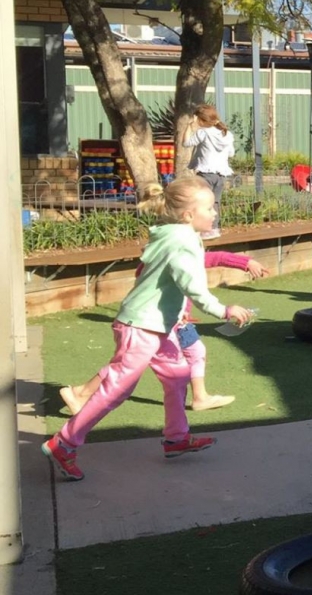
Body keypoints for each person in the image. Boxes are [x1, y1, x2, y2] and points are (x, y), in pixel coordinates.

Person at [42, 177, 252, 482]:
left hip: (155, 326)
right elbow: (192, 287)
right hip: (140, 326)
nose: (215, 212)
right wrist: (225, 310)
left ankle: (176, 438)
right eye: (209, 207)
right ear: (188, 215)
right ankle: (64, 443)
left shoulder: (174, 234)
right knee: (117, 389)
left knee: (178, 373)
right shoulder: (182, 241)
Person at [59, 250, 269, 416]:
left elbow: (214, 258)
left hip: (171, 322)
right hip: (157, 324)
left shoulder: (176, 253)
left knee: (193, 351)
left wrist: (246, 262)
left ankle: (199, 397)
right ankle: (80, 393)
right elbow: (167, 293)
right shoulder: (169, 258)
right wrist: (215, 311)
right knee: (127, 367)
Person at [183, 104, 235, 239]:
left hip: (205, 173)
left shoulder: (203, 132)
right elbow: (231, 154)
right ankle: (213, 229)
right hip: (221, 175)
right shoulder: (226, 134)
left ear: (200, 119)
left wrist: (189, 126)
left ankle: (202, 229)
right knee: (214, 202)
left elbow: (186, 143)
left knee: (200, 202)